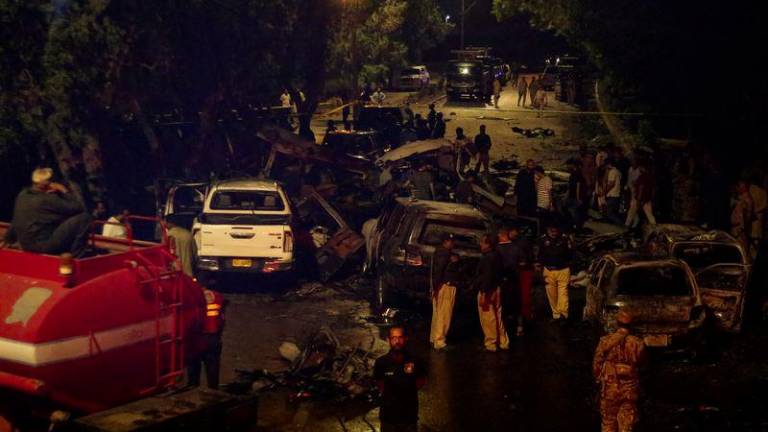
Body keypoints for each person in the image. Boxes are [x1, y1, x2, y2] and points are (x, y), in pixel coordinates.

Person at [1, 168, 92, 257]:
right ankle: (75, 257)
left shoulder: (22, 195)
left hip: (26, 246)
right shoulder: (48, 200)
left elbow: (17, 219)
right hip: (44, 246)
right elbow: (79, 208)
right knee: (84, 218)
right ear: (49, 184)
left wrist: (8, 239)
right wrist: (65, 191)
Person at [593, 310, 646, 432]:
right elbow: (642, 364)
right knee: (627, 422)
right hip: (629, 389)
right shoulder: (638, 343)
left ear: (617, 323)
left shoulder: (605, 341)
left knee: (608, 421)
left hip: (610, 388)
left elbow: (597, 364)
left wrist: (598, 380)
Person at [374, 327, 427, 432]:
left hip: (409, 417)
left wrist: (407, 391)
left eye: (400, 337)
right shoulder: (381, 362)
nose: (397, 341)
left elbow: (421, 380)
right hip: (388, 417)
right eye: (393, 338)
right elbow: (379, 383)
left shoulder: (415, 360)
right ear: (388, 340)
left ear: (406, 339)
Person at [473, 234, 509, 351]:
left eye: (483, 242)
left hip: (488, 290)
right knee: (498, 316)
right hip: (496, 289)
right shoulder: (498, 255)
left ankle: (491, 343)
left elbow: (487, 276)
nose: (480, 244)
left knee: (488, 318)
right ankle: (503, 341)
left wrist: (484, 293)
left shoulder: (487, 258)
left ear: (488, 245)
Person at [188, 288, 226, 389]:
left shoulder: (191, 296)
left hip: (195, 338)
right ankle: (213, 393)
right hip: (212, 338)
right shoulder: (218, 296)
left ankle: (192, 392)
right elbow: (221, 319)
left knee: (193, 369)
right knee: (212, 370)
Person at [536, 224, 573, 322]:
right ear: (548, 230)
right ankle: (556, 314)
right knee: (551, 294)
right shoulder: (543, 240)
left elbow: (571, 254)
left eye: (555, 231)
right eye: (551, 231)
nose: (554, 233)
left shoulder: (564, 239)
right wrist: (540, 269)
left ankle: (563, 314)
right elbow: (540, 255)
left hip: (563, 269)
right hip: (549, 270)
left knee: (563, 293)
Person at [430, 234, 460, 350]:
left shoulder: (438, 251)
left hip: (439, 286)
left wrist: (433, 288)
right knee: (444, 314)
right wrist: (437, 287)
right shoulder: (445, 253)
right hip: (445, 286)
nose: (453, 244)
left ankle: (434, 339)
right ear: (446, 241)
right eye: (451, 242)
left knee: (437, 313)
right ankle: (440, 342)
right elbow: (439, 270)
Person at [625, 163, 657, 228]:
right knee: (649, 215)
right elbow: (653, 189)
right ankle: (654, 227)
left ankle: (627, 226)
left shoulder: (642, 177)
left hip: (639, 199)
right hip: (647, 199)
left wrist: (639, 200)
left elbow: (641, 188)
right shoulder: (651, 177)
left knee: (631, 212)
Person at [731, 180, 754, 254]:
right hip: (738, 230)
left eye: (739, 186)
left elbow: (746, 218)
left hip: (740, 231)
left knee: (742, 251)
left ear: (743, 186)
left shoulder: (747, 200)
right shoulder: (741, 199)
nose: (737, 188)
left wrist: (742, 229)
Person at [565, 159, 588, 231]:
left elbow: (578, 186)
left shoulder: (576, 174)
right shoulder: (575, 174)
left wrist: (578, 197)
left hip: (574, 196)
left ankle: (577, 226)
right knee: (573, 211)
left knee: (575, 212)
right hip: (573, 196)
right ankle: (575, 226)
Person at [604, 159, 623, 225]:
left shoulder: (613, 172)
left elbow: (611, 184)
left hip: (612, 195)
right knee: (613, 213)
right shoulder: (618, 171)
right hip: (617, 195)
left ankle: (621, 226)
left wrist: (605, 191)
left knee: (609, 214)